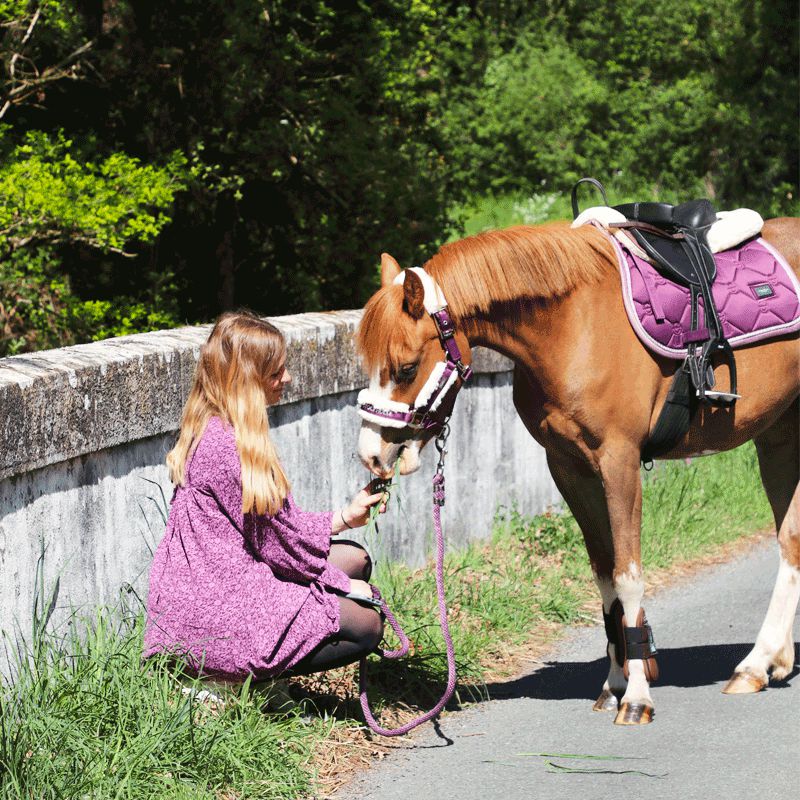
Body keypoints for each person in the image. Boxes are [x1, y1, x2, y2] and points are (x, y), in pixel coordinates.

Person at [143, 310, 386, 684]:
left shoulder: (215, 425)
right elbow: (281, 550)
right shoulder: (229, 449)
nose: (287, 379)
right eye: (276, 373)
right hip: (216, 605)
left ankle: (262, 672)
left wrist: (345, 516)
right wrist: (342, 585)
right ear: (248, 382)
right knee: (366, 624)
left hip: (215, 583)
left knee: (355, 558)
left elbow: (277, 533)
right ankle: (228, 680)